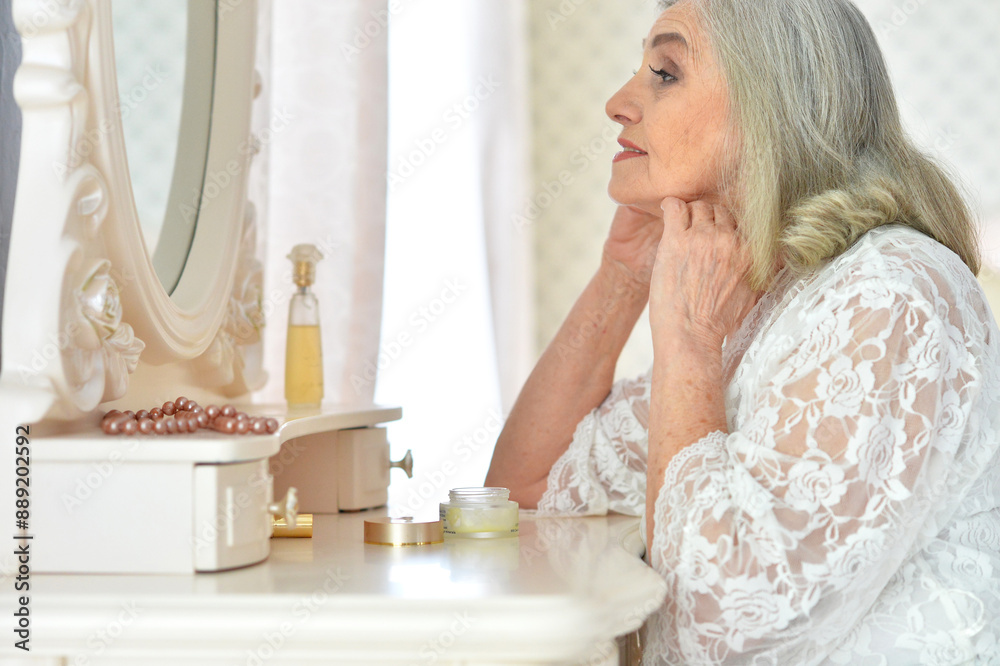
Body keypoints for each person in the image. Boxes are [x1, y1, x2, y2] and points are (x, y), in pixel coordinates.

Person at [485, 0, 1000, 663]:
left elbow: (725, 624)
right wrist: (623, 275)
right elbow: (521, 498)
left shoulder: (889, 293)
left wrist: (689, 342)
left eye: (664, 73)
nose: (617, 103)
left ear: (773, 107)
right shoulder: (769, 304)